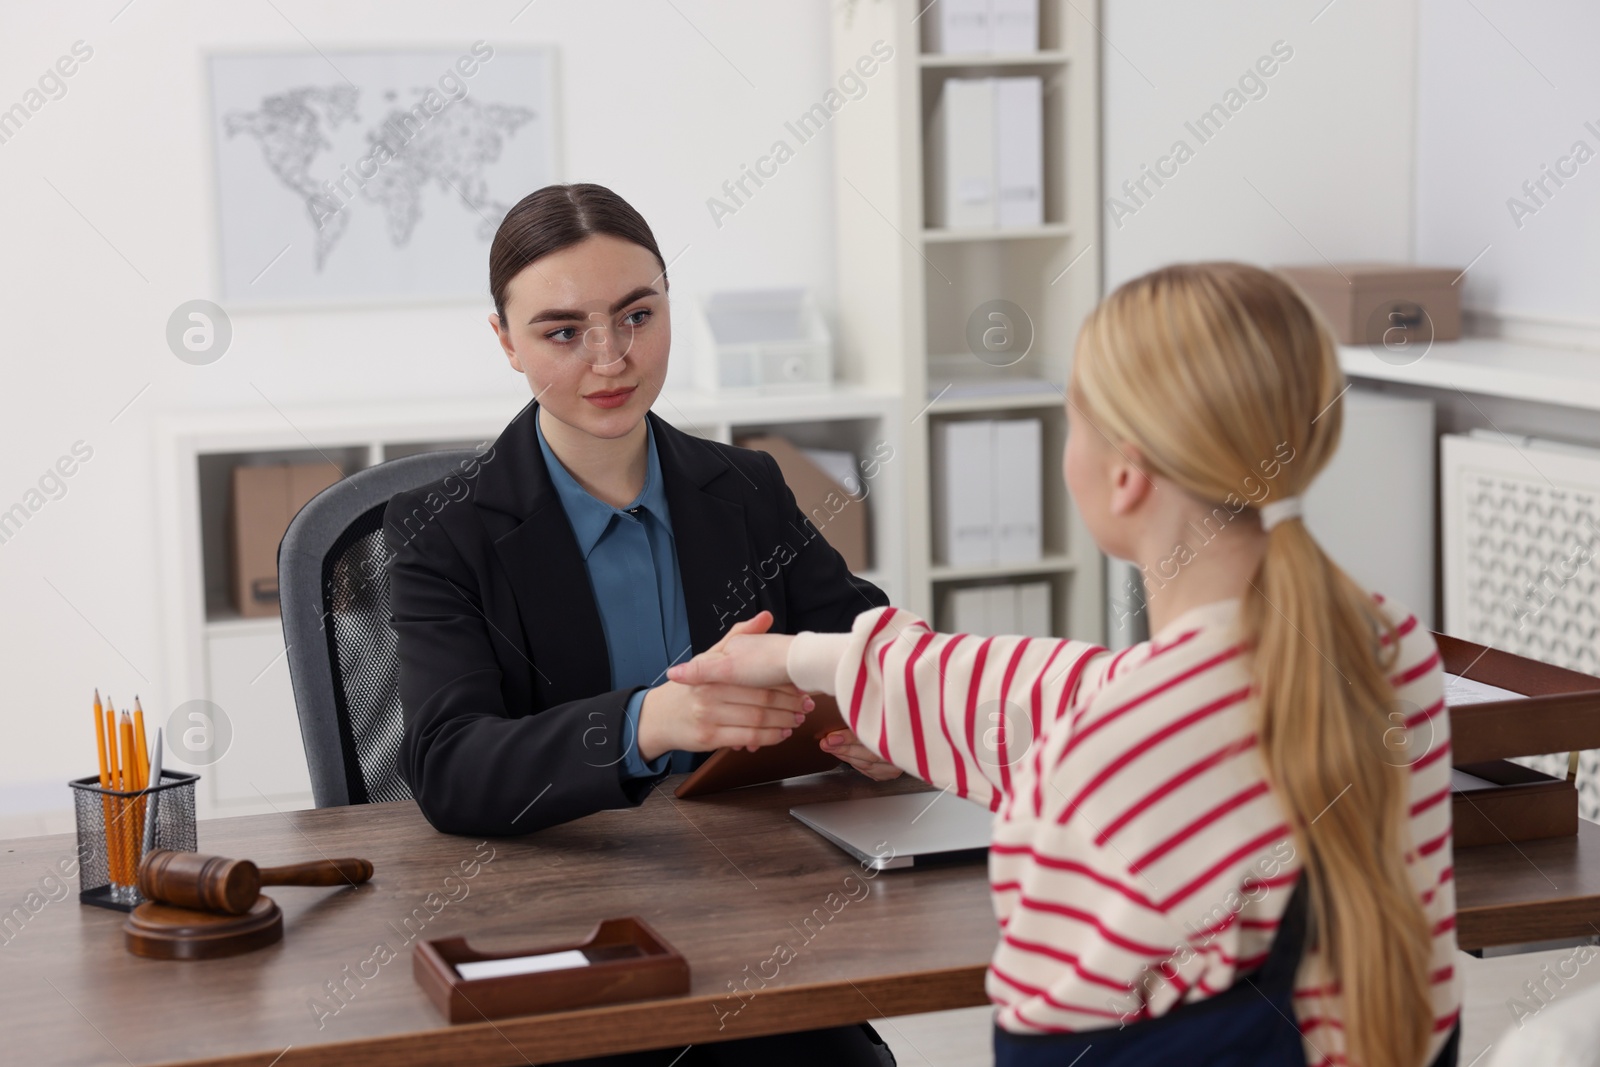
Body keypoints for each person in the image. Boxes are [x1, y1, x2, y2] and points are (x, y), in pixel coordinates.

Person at [671, 263, 1463, 1067]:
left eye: (1071, 419)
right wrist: (802, 656)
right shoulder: (1389, 650)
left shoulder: (1096, 764)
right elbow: (1068, 689)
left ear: (1123, 473)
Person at [384, 183, 898, 1066]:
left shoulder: (746, 487)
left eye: (636, 315)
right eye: (562, 331)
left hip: (750, 915)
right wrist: (650, 722)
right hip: (560, 932)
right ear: (506, 342)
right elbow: (449, 763)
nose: (611, 358)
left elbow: (865, 637)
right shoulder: (442, 532)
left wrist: (888, 715)